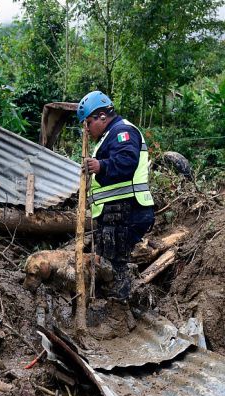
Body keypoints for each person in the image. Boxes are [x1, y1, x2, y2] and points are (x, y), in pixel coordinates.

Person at [77, 90, 155, 320]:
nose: (87, 128)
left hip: (127, 211)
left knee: (114, 264)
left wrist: (101, 166)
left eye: (89, 122)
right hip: (115, 213)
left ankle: (119, 318)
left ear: (102, 116)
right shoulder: (109, 136)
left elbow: (126, 163)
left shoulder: (123, 132)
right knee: (111, 261)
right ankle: (116, 312)